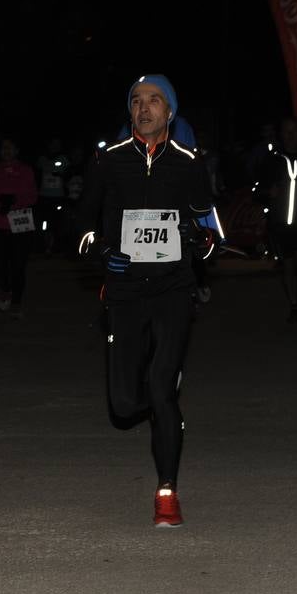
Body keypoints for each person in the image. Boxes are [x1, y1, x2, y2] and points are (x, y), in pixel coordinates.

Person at [77, 74, 216, 528]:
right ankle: (164, 412)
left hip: (173, 290)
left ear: (170, 112)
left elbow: (209, 233)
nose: (144, 108)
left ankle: (167, 491)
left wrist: (195, 238)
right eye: (137, 101)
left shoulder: (190, 163)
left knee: (161, 387)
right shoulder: (108, 161)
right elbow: (81, 229)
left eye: (154, 101)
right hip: (124, 291)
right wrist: (103, 254)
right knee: (123, 404)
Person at [257, 117, 297, 321]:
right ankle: (294, 304)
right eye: (287, 131)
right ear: (281, 134)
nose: (290, 135)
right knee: (287, 262)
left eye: (294, 131)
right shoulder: (273, 159)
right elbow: (257, 188)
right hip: (280, 220)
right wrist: (269, 191)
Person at [0, 137, 38, 317]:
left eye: (10, 148)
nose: (6, 151)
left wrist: (15, 201)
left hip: (21, 219)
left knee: (18, 264)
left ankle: (16, 301)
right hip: (0, 221)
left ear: (16, 150)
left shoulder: (25, 170)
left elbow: (32, 196)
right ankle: (5, 290)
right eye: (3, 148)